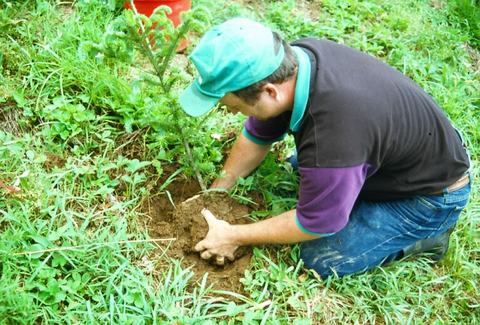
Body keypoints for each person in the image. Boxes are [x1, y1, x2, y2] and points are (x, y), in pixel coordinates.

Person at [178, 18, 471, 277]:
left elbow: (316, 222)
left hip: (427, 198)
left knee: (319, 257)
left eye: (234, 106)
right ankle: (348, 190)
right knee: (312, 172)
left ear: (269, 92)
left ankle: (427, 237)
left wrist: (233, 235)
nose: (230, 113)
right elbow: (258, 135)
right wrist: (219, 190)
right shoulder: (292, 64)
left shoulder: (333, 134)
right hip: (390, 157)